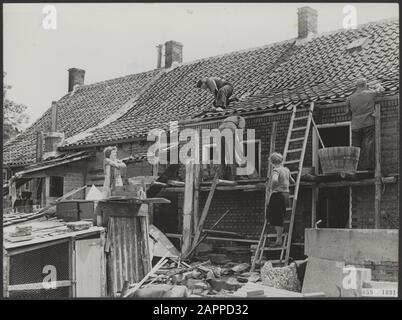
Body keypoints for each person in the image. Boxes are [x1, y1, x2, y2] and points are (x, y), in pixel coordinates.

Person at [346, 78, 385, 171]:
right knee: (368, 145)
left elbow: (347, 112)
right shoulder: (370, 94)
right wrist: (378, 85)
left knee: (356, 147)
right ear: (365, 85)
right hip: (368, 123)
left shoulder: (350, 98)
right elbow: (381, 90)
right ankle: (368, 167)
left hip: (355, 126)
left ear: (356, 86)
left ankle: (355, 168)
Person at [266, 152, 295, 247]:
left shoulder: (276, 170)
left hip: (277, 196)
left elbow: (274, 180)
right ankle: (279, 239)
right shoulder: (286, 170)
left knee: (273, 216)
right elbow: (293, 181)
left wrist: (272, 188)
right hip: (286, 195)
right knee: (280, 216)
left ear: (272, 162)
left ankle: (279, 240)